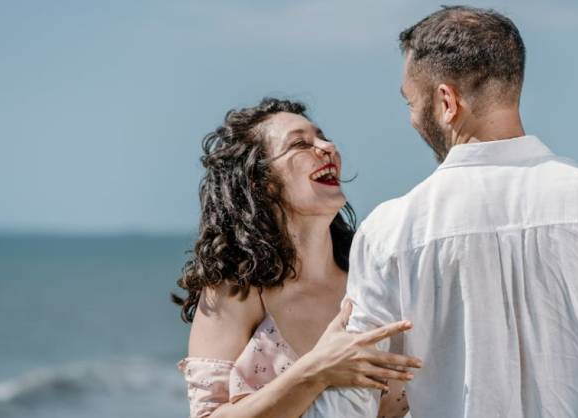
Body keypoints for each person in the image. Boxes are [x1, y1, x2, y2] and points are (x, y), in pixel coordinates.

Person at [319, 5, 578, 417]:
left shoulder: (391, 231)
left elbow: (351, 405)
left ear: (447, 102)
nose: (413, 118)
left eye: (410, 103)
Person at [171, 98, 422, 418]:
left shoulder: (374, 277)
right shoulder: (237, 292)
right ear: (260, 183)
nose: (328, 147)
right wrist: (315, 371)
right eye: (301, 144)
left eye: (323, 138)